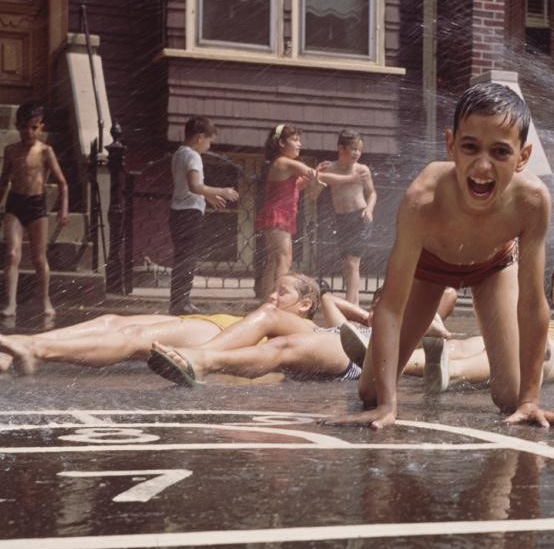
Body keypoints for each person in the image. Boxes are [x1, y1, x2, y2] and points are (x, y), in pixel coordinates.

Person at [339, 81, 554, 429]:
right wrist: (389, 405)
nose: (482, 166)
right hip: (429, 268)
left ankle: (419, 352)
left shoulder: (533, 200)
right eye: (470, 147)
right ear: (450, 146)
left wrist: (530, 400)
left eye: (500, 152)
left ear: (523, 157)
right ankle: (383, 358)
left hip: (494, 266)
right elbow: (390, 304)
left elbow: (532, 303)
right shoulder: (423, 198)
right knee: (370, 393)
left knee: (510, 398)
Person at [0, 273, 342, 376]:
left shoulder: (304, 330)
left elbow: (278, 355)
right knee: (112, 320)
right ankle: (23, 343)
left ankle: (37, 349)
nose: (271, 296)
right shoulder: (271, 318)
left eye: (280, 292)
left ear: (305, 305)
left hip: (211, 333)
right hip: (204, 323)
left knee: (132, 338)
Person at [144, 287, 459, 387]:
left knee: (285, 346)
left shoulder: (407, 328)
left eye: (385, 304)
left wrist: (407, 308)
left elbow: (448, 292)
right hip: (331, 338)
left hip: (356, 355)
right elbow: (329, 299)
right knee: (269, 315)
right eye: (374, 302)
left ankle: (204, 364)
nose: (378, 307)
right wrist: (365, 315)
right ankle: (198, 354)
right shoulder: (351, 325)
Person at [407, 258, 554, 393]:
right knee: (461, 346)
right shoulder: (547, 319)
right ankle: (386, 360)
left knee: (513, 350)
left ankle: (450, 372)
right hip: (530, 334)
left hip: (550, 353)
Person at [1, 102, 69, 318]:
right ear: (17, 126)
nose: (27, 132)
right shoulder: (10, 151)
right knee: (12, 254)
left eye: (33, 127)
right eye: (23, 127)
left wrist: (63, 209)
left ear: (40, 127)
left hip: (37, 205)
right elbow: (3, 181)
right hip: (15, 203)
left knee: (39, 258)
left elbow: (62, 183)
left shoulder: (45, 151)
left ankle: (45, 299)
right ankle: (11, 303)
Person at [168, 116, 239, 315]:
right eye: (209, 141)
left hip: (177, 211)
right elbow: (195, 185)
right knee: (188, 258)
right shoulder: (193, 156)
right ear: (200, 137)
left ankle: (179, 300)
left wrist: (209, 197)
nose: (209, 146)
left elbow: (186, 187)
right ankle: (181, 302)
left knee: (182, 257)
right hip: (189, 213)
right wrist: (222, 191)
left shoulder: (179, 153)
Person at [254, 124, 320, 298]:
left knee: (273, 261)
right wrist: (323, 175)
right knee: (284, 259)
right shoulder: (285, 162)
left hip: (277, 216)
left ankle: (267, 301)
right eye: (295, 140)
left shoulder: (281, 164)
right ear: (282, 143)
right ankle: (279, 300)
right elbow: (312, 173)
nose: (300, 144)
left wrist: (315, 175)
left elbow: (296, 186)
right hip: (278, 216)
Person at [319, 129, 377, 306]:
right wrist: (316, 176)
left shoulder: (362, 170)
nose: (357, 153)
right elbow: (314, 193)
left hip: (359, 218)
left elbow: (372, 193)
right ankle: (355, 303)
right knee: (347, 265)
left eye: (359, 149)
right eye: (353, 149)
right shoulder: (330, 168)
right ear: (340, 148)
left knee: (353, 263)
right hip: (342, 219)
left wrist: (369, 208)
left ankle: (350, 307)